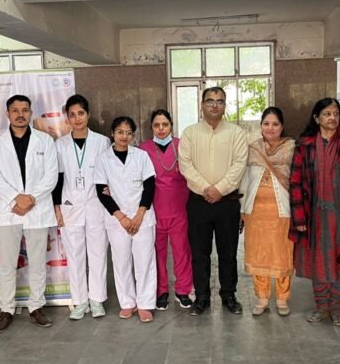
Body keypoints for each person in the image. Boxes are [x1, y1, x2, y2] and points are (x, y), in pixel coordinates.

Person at [289, 98, 340, 327]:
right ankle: (322, 308)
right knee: (318, 261)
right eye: (327, 114)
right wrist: (299, 217)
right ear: (317, 118)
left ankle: (337, 308)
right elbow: (295, 183)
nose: (332, 118)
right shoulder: (305, 145)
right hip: (314, 216)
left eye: (336, 113)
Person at [0, 94, 59, 333]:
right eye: (15, 110)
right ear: (7, 114)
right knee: (7, 263)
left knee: (37, 262)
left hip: (37, 208)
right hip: (9, 210)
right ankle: (6, 309)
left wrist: (31, 198)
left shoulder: (44, 140)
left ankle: (36, 307)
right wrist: (16, 198)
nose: (20, 114)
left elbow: (51, 175)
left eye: (25, 110)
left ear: (30, 113)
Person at [179, 86, 248, 316]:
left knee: (228, 253)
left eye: (220, 101)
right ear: (202, 105)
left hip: (227, 202)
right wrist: (206, 189)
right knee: (200, 254)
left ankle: (229, 295)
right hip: (198, 203)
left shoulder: (236, 133)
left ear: (225, 105)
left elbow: (239, 164)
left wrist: (219, 189)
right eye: (210, 101)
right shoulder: (189, 133)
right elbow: (185, 165)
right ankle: (201, 297)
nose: (215, 105)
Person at [94, 116, 157, 323]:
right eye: (120, 132)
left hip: (142, 218)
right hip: (117, 220)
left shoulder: (141, 156)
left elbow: (149, 187)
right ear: (112, 133)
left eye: (129, 133)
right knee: (121, 262)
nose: (124, 136)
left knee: (145, 261)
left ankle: (145, 304)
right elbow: (102, 191)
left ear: (133, 136)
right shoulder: (103, 159)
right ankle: (128, 303)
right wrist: (121, 217)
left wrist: (139, 215)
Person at [53, 94, 111, 320]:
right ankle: (79, 301)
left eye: (81, 113)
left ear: (88, 115)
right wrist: (57, 207)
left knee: (98, 253)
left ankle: (96, 299)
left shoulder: (102, 142)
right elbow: (57, 179)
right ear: (67, 118)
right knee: (75, 255)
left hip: (96, 205)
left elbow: (107, 175)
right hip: (70, 206)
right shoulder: (60, 145)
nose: (77, 118)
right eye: (72, 115)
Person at [240, 107, 295, 316]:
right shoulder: (253, 149)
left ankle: (282, 299)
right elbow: (245, 180)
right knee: (258, 255)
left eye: (275, 124)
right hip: (256, 213)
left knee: (282, 255)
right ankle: (262, 298)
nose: (270, 128)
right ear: (261, 126)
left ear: (282, 127)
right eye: (266, 124)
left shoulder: (291, 149)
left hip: (282, 212)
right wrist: (242, 209)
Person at [139, 109, 193, 310]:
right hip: (154, 211)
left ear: (171, 125)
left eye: (165, 124)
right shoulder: (143, 149)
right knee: (157, 253)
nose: (161, 129)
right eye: (156, 125)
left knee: (182, 251)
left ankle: (183, 290)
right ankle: (160, 291)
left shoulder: (182, 146)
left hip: (180, 210)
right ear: (151, 127)